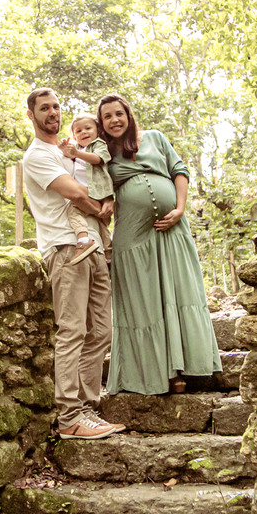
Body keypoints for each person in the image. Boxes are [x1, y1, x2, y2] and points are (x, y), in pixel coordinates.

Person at [97, 93, 222, 395]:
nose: (114, 120)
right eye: (107, 117)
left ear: (128, 114)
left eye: (119, 113)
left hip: (171, 231)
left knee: (178, 293)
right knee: (145, 301)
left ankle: (185, 368)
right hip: (133, 237)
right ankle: (154, 374)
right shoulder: (103, 155)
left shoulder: (154, 138)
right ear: (101, 124)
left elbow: (180, 171)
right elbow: (94, 190)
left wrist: (179, 209)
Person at [22, 88, 124, 439]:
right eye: (44, 108)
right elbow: (76, 193)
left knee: (101, 331)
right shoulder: (36, 155)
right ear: (31, 115)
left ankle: (88, 408)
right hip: (65, 248)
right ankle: (69, 418)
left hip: (92, 247)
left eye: (56, 106)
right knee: (72, 331)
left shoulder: (67, 150)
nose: (52, 113)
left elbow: (95, 179)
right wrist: (101, 210)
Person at [61, 114, 114, 265]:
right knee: (100, 223)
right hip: (85, 192)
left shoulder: (99, 144)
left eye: (88, 128)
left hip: (99, 191)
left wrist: (76, 153)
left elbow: (97, 159)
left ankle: (83, 239)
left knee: (74, 211)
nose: (83, 132)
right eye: (78, 131)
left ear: (97, 130)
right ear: (74, 136)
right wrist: (65, 149)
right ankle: (108, 254)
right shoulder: (77, 149)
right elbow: (69, 155)